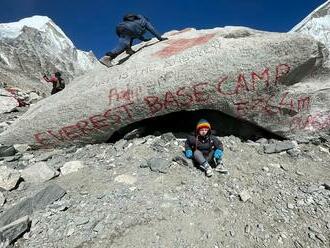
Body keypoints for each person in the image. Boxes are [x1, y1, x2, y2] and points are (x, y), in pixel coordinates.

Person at [102, 13, 168, 65]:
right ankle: (107, 58)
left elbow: (137, 35)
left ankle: (129, 50)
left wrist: (144, 39)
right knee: (124, 44)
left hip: (120, 28)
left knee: (127, 40)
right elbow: (152, 29)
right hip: (128, 29)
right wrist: (160, 38)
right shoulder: (144, 21)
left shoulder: (133, 22)